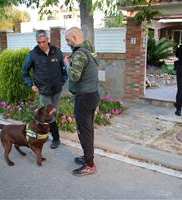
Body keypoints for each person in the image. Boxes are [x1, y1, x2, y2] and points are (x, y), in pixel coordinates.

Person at [23, 30, 68, 149]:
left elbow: (64, 70)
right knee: (48, 114)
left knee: (54, 113)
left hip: (57, 90)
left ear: (48, 40)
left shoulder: (57, 52)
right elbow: (25, 72)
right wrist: (30, 85)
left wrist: (62, 81)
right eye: (39, 42)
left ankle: (48, 134)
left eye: (43, 42)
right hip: (43, 90)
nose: (41, 45)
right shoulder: (32, 54)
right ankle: (56, 138)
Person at [64, 27, 100, 177]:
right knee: (88, 130)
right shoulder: (90, 51)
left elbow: (74, 76)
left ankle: (89, 165)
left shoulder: (79, 54)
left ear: (75, 37)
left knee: (84, 132)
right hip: (92, 95)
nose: (67, 43)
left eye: (68, 40)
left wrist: (67, 63)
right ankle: (87, 157)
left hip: (84, 98)